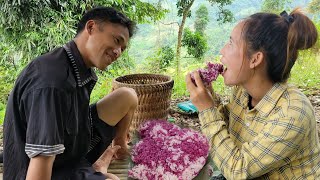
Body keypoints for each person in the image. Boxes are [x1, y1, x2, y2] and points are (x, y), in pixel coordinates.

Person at [3, 6, 138, 180]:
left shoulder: (76, 66)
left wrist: (119, 140)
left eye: (123, 48)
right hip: (47, 170)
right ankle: (95, 171)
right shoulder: (52, 82)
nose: (118, 52)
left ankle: (100, 162)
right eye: (116, 40)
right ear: (91, 28)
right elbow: (40, 165)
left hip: (70, 152)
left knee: (126, 96)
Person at [186, 8, 320, 179]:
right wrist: (211, 100)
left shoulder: (293, 112)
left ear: (255, 59)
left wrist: (206, 109)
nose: (222, 51)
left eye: (230, 43)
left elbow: (237, 170)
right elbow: (228, 128)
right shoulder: (243, 90)